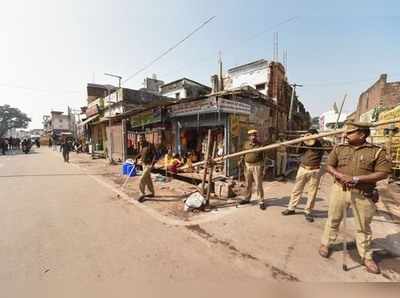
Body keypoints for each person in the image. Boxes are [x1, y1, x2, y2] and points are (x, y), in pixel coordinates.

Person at [318, 121, 392, 274]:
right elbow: (329, 165)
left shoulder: (377, 152)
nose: (345, 135)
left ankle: (366, 256)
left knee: (363, 226)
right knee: (333, 219)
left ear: (362, 134)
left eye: (350, 132)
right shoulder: (339, 148)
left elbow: (383, 173)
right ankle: (326, 243)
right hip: (340, 190)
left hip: (363, 194)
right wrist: (340, 175)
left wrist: (356, 179)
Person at [281, 129, 325, 222]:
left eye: (311, 135)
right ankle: (291, 208)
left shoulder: (320, 143)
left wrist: (317, 139)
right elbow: (298, 151)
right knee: (297, 189)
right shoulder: (305, 142)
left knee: (312, 192)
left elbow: (326, 149)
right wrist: (302, 141)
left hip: (315, 170)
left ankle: (308, 211)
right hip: (303, 168)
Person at [239, 129, 266, 210]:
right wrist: (240, 160)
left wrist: (263, 168)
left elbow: (264, 157)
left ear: (256, 136)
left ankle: (261, 201)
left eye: (254, 135)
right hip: (247, 165)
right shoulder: (246, 144)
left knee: (258, 184)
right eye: (251, 136)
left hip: (257, 166)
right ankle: (247, 198)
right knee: (248, 183)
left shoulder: (260, 145)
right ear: (249, 137)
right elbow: (243, 153)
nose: (253, 137)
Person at [136, 134, 157, 202]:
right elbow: (141, 154)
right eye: (139, 139)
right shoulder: (142, 146)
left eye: (141, 138)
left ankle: (141, 194)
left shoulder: (150, 145)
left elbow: (155, 155)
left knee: (142, 178)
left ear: (144, 138)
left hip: (149, 165)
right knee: (148, 179)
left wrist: (152, 164)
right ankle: (151, 193)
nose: (140, 140)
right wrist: (136, 158)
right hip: (143, 164)